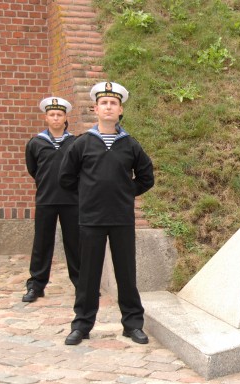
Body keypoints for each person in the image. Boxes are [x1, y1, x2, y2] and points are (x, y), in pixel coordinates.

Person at [59, 81, 154, 345]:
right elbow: (66, 178)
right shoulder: (82, 144)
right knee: (88, 275)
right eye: (104, 103)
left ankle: (132, 324)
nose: (109, 107)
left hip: (121, 219)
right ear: (96, 109)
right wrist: (88, 196)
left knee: (126, 274)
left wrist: (125, 192)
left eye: (113, 103)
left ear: (120, 110)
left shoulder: (130, 145)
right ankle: (82, 325)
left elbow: (146, 177)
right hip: (91, 219)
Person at [23, 97, 80, 302]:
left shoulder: (75, 143)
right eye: (52, 114)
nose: (56, 118)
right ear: (46, 118)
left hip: (72, 200)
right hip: (46, 199)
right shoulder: (36, 143)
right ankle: (36, 286)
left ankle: (82, 285)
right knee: (42, 243)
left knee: (75, 244)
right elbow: (33, 169)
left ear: (65, 118)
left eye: (59, 114)